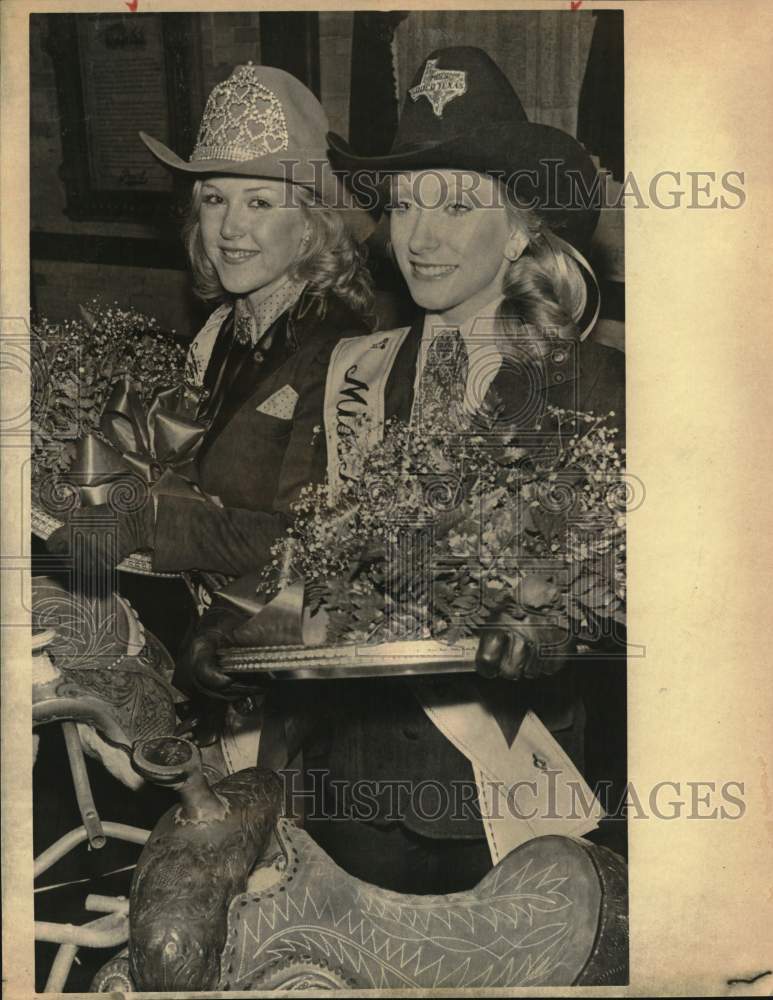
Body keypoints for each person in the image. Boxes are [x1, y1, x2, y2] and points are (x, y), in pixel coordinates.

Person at [169, 49, 628, 892]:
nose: (419, 238)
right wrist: (235, 629)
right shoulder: (357, 368)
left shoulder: (587, 385)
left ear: (522, 225)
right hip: (342, 781)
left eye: (455, 206)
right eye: (407, 205)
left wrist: (556, 629)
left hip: (503, 805)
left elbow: (628, 579)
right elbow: (312, 549)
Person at [48, 62, 375, 587]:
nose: (229, 228)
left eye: (260, 203)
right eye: (216, 199)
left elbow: (317, 540)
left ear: (312, 226)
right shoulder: (222, 330)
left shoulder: (345, 353)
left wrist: (147, 519)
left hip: (272, 640)